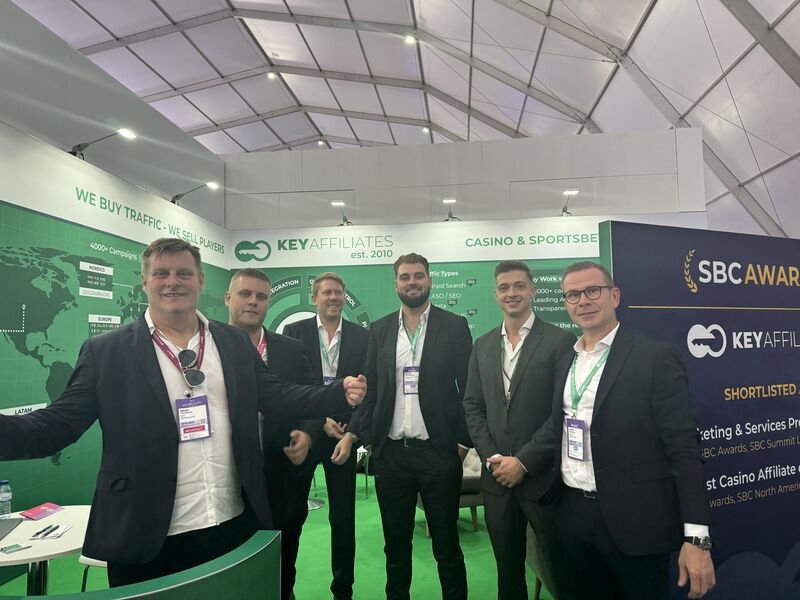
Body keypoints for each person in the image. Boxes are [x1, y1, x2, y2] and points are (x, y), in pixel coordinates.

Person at [0, 238, 366, 588]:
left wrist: (336, 393)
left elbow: (277, 395)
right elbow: (56, 426)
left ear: (201, 280)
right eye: (161, 273)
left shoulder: (231, 342)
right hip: (148, 536)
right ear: (145, 281)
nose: (173, 282)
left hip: (230, 525)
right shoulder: (107, 352)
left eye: (184, 273)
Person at [528, 261, 715, 600]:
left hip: (635, 523)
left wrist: (697, 539)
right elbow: (561, 427)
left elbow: (685, 450)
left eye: (592, 291)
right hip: (571, 517)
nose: (583, 301)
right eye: (572, 295)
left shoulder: (654, 357)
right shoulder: (565, 361)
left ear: (614, 296)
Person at [354, 252, 472, 600]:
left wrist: (462, 443)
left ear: (429, 280)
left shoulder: (454, 325)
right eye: (405, 277)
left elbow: (469, 389)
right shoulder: (380, 329)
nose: (412, 282)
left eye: (418, 276)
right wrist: (369, 439)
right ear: (396, 284)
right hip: (391, 456)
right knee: (395, 547)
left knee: (447, 547)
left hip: (439, 454)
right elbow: (371, 387)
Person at [463, 260, 576, 600]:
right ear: (496, 294)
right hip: (497, 480)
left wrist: (523, 462)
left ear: (532, 290)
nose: (511, 293)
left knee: (562, 572)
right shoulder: (482, 344)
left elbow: (564, 411)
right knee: (508, 575)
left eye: (519, 286)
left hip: (544, 480)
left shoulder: (560, 341)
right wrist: (493, 459)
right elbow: (472, 406)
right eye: (504, 287)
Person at [225, 268, 318, 600]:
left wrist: (307, 433)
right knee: (230, 567)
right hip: (227, 479)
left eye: (261, 296)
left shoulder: (290, 349)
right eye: (245, 294)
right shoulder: (208, 348)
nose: (253, 301)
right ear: (228, 298)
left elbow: (311, 397)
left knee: (282, 562)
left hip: (281, 478)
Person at [283, 272, 369, 600]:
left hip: (344, 438)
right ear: (314, 297)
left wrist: (353, 434)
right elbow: (290, 388)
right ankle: (284, 589)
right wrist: (320, 421)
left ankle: (343, 591)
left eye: (338, 292)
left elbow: (369, 390)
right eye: (327, 292)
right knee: (293, 515)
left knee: (343, 519)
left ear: (344, 297)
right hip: (307, 434)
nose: (333, 298)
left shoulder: (362, 336)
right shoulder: (294, 333)